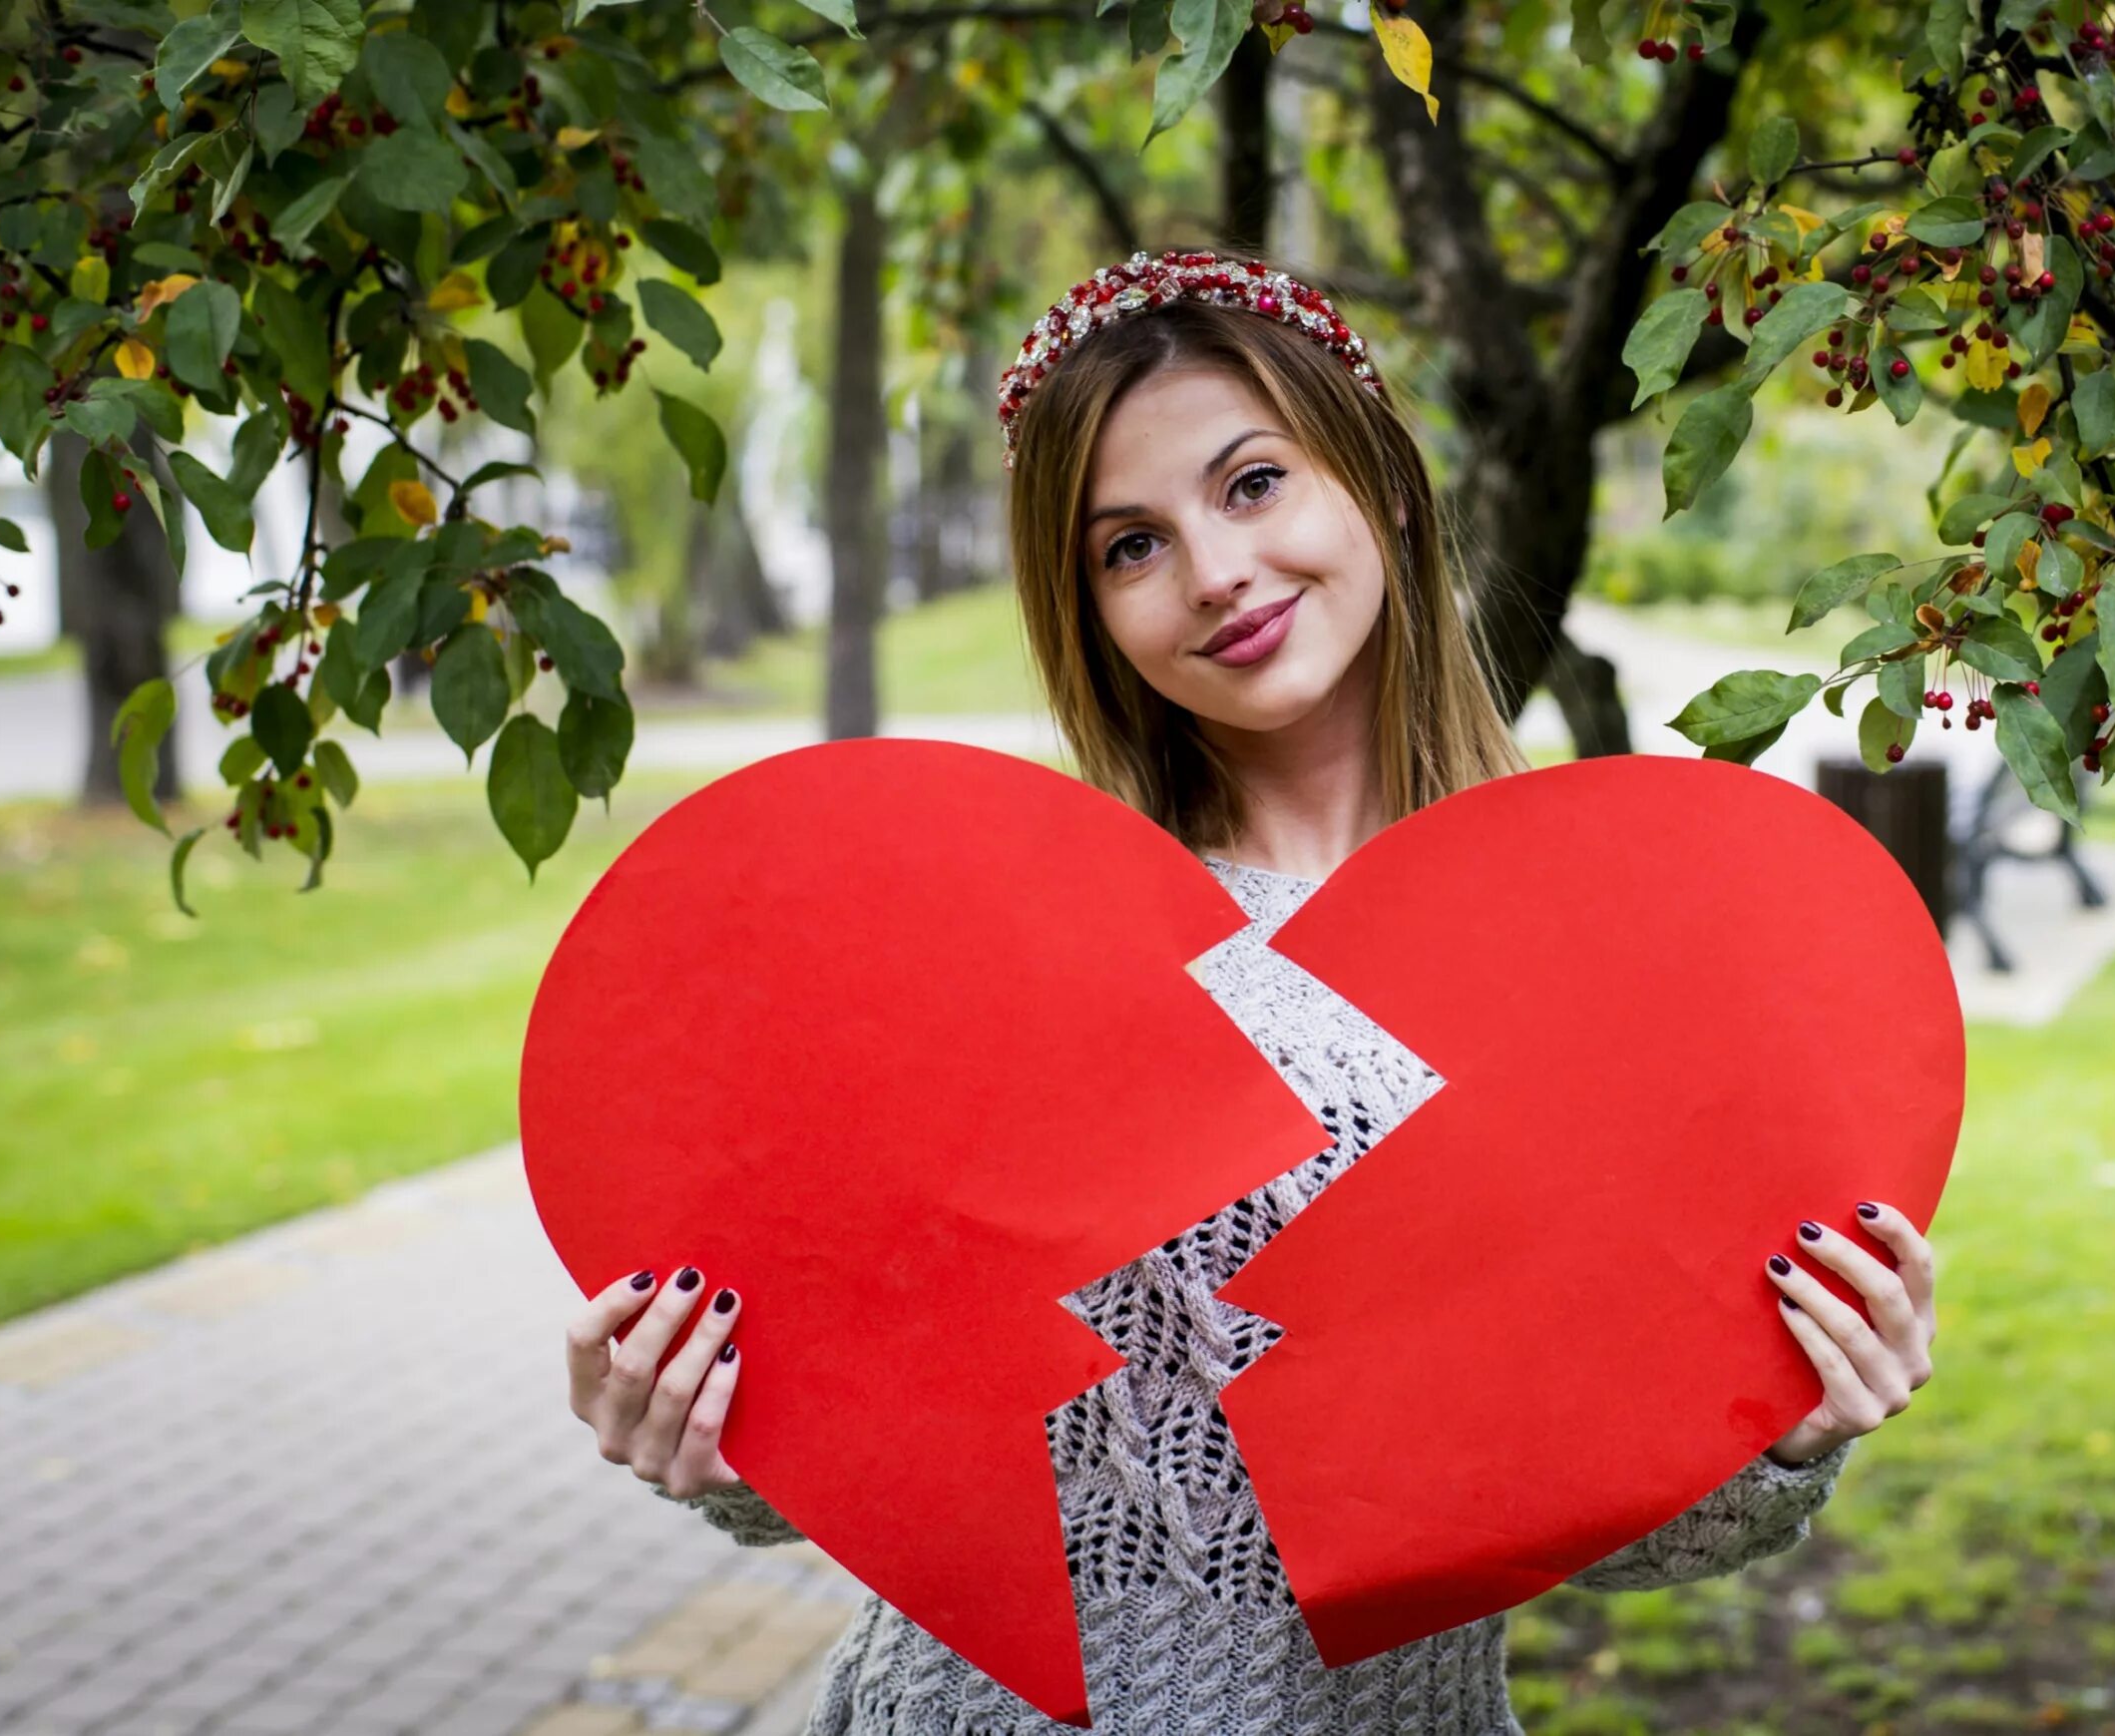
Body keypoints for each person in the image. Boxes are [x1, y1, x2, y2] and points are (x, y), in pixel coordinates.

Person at [561, 247, 1942, 1734]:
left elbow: (1623, 1528)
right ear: (1087, 610)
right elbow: (860, 1452)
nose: (1215, 571)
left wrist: (1785, 1428)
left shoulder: (1597, 963)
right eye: (1129, 547)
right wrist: (705, 1428)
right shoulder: (1006, 949)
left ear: (1382, 483)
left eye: (1252, 483)